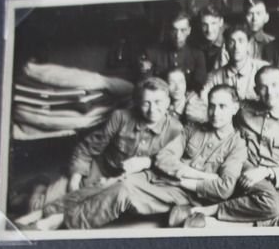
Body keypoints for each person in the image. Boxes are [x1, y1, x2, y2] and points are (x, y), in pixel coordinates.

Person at [34, 78, 185, 230]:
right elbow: (88, 147)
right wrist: (76, 177)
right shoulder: (121, 117)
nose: (152, 109)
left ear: (167, 102)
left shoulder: (175, 128)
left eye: (158, 102)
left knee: (79, 213)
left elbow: (167, 167)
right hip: (98, 171)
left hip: (126, 182)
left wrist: (147, 162)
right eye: (146, 103)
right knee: (37, 208)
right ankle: (39, 185)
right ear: (138, 103)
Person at [216, 66, 279, 227]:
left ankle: (230, 221)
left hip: (276, 183)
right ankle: (246, 212)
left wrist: (266, 172)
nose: (269, 92)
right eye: (263, 87)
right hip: (242, 176)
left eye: (275, 85)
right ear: (256, 90)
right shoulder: (243, 112)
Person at [201, 22, 266, 105]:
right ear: (226, 46)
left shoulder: (262, 69)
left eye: (241, 41)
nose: (236, 47)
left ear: (248, 45)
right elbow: (203, 102)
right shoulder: (215, 76)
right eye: (231, 42)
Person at [146, 12, 206, 92]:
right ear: (168, 30)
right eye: (174, 30)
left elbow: (199, 85)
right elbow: (147, 85)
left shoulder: (197, 53)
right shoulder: (153, 53)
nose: (178, 35)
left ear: (189, 31)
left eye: (183, 30)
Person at [197, 3, 227, 72]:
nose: (209, 30)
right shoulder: (195, 39)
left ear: (221, 22)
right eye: (205, 25)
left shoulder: (229, 38)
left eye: (213, 23)